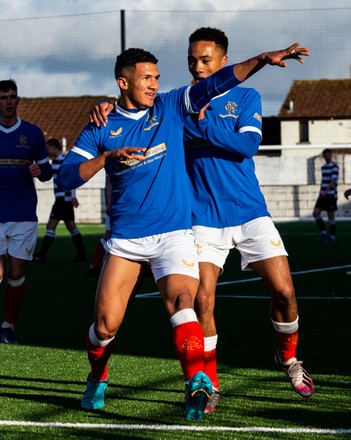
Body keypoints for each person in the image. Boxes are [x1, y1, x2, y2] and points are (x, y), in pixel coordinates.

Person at [58, 43, 310, 421]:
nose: (155, 84)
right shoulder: (101, 125)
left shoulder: (171, 107)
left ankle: (198, 379)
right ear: (122, 83)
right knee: (106, 326)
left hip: (175, 235)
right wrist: (107, 157)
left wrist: (261, 60)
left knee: (184, 304)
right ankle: (98, 376)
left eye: (157, 77)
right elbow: (64, 176)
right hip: (127, 240)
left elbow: (219, 82)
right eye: (146, 78)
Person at [0, 79, 53, 344]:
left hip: (23, 214)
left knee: (16, 273)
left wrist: (39, 171)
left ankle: (8, 326)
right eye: (3, 97)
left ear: (18, 101)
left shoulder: (32, 133)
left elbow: (47, 171)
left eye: (12, 97)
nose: (8, 101)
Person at [33, 138, 87, 263]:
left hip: (63, 199)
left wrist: (72, 196)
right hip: (61, 199)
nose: (46, 151)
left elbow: (71, 178)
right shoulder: (55, 161)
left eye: (47, 148)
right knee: (71, 227)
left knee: (51, 225)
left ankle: (41, 255)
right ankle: (82, 255)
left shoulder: (64, 160)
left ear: (53, 148)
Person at [86, 175, 112, 277]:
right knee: (110, 235)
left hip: (119, 203)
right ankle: (94, 266)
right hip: (119, 204)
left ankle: (94, 266)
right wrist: (110, 203)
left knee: (110, 234)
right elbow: (110, 182)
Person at [313, 148, 339, 242]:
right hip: (322, 195)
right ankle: (324, 232)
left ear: (331, 155)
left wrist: (326, 192)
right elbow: (324, 181)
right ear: (324, 156)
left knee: (330, 216)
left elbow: (333, 181)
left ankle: (332, 237)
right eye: (326, 155)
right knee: (316, 213)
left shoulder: (334, 166)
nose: (328, 156)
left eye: (329, 154)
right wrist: (321, 192)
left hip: (331, 195)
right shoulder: (323, 167)